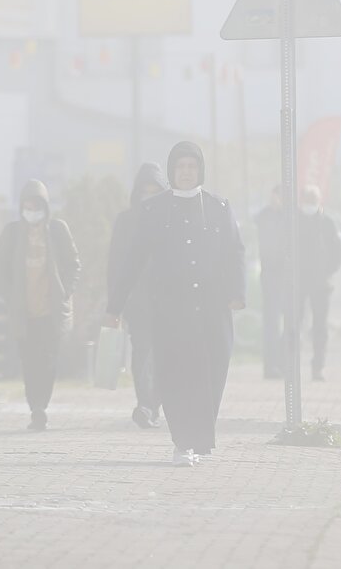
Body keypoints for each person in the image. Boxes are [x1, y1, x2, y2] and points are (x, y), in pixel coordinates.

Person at [107, 142, 246, 467]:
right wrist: (114, 307)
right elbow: (133, 259)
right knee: (176, 376)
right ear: (172, 171)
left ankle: (198, 437)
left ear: (200, 171)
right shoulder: (154, 210)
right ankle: (183, 442)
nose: (186, 173)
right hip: (171, 309)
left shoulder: (219, 207)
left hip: (212, 309)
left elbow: (235, 251)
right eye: (181, 167)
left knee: (213, 372)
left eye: (192, 167)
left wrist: (236, 291)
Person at [0, 180, 81, 432]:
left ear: (45, 206)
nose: (32, 210)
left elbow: (74, 263)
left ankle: (42, 404)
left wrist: (65, 292)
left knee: (48, 360)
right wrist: (9, 297)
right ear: (21, 207)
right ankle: (36, 408)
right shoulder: (12, 233)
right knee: (29, 362)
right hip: (24, 311)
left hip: (51, 310)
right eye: (27, 206)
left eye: (37, 205)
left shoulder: (57, 230)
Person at [106, 163, 167, 429]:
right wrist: (114, 306)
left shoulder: (172, 219)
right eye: (145, 191)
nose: (149, 196)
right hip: (137, 301)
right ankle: (145, 404)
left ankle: (155, 403)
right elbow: (115, 264)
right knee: (142, 351)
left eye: (155, 191)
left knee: (166, 354)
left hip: (168, 300)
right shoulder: (126, 221)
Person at [298, 184, 341, 382]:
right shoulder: (294, 221)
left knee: (320, 326)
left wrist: (329, 270)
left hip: (321, 282)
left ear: (319, 201)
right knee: (295, 323)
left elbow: (338, 250)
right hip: (298, 282)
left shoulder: (327, 223)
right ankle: (290, 367)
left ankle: (318, 366)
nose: (310, 204)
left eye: (313, 200)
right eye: (307, 200)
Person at [254, 185, 287, 379]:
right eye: (275, 196)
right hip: (271, 275)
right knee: (272, 323)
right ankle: (271, 366)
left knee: (292, 321)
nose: (277, 200)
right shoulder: (264, 217)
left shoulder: (290, 217)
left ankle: (283, 362)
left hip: (288, 276)